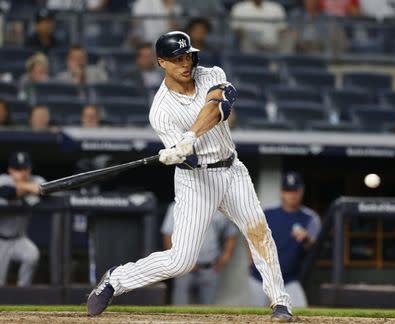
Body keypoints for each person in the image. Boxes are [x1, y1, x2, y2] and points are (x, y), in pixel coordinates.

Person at [86, 31, 293, 322]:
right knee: (181, 261)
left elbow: (220, 105)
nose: (185, 64)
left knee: (259, 233)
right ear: (161, 62)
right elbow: (191, 158)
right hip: (195, 180)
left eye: (188, 57)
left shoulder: (211, 74)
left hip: (232, 171)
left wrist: (189, 136)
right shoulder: (160, 110)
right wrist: (178, 153)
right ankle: (115, 280)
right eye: (176, 59)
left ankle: (280, 303)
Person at [249, 172, 321, 308]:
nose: (292, 194)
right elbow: (251, 238)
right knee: (256, 316)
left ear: (301, 191)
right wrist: (251, 261)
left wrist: (306, 238)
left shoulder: (310, 218)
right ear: (282, 192)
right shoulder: (267, 214)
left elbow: (314, 248)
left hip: (289, 279)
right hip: (260, 278)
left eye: (295, 190)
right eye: (288, 190)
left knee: (300, 311)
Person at [161, 202, 237, 304]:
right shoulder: (178, 204)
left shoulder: (218, 207)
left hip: (210, 267)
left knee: (208, 311)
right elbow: (167, 235)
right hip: (183, 268)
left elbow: (231, 234)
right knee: (179, 308)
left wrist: (226, 256)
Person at [0, 152, 43, 286]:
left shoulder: (37, 180)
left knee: (32, 255)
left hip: (19, 238)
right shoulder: (3, 180)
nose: (22, 173)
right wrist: (29, 188)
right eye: (18, 169)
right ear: (10, 170)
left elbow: (47, 190)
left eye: (25, 169)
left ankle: (23, 291)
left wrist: (26, 187)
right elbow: (7, 192)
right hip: (0, 240)